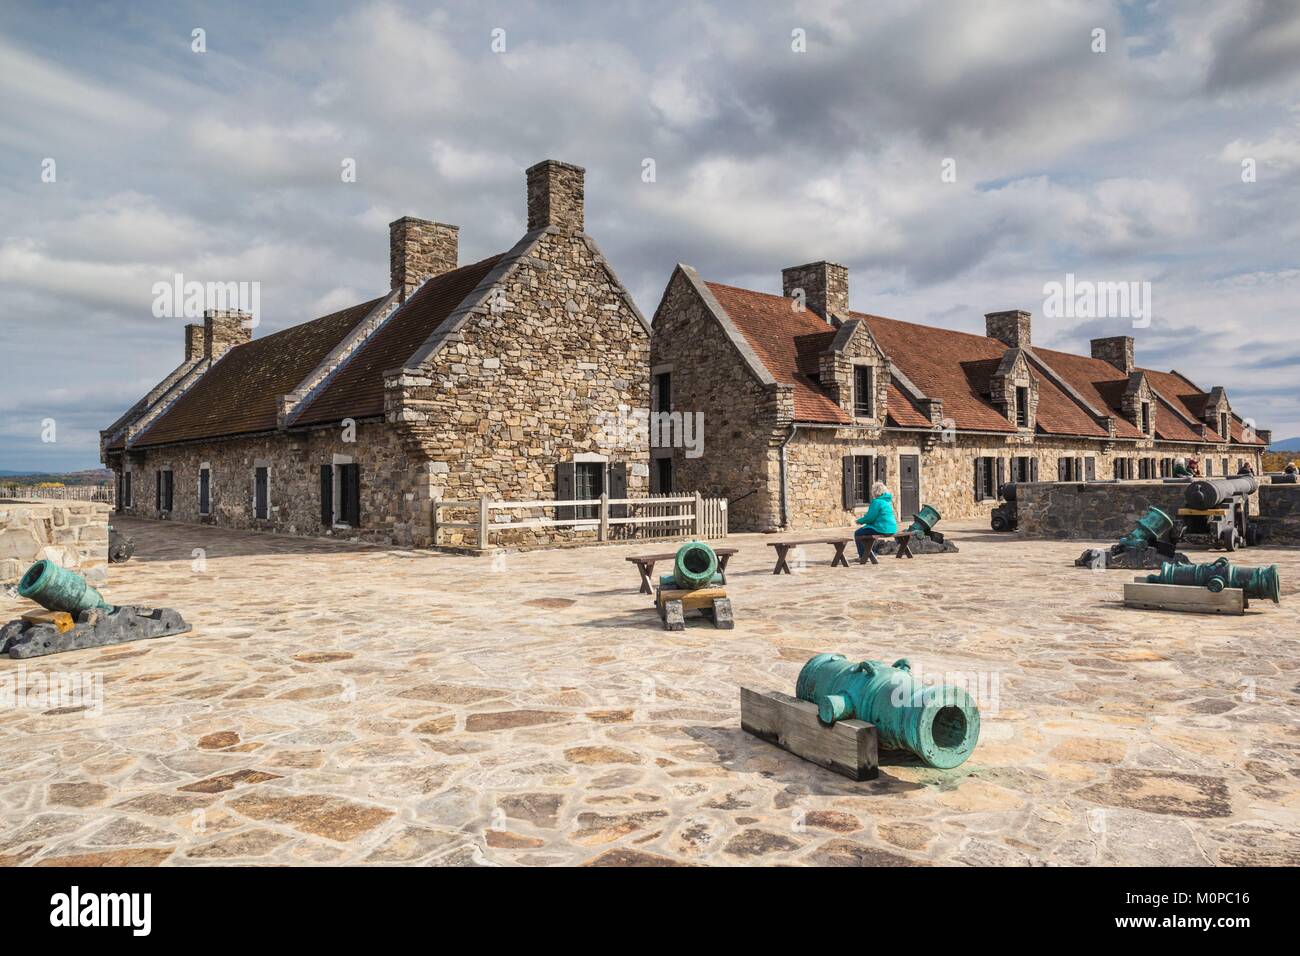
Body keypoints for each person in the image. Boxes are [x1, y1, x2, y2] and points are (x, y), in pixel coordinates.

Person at [854, 481, 898, 561]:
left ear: (875, 492)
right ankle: (873, 553)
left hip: (882, 528)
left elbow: (870, 517)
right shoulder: (887, 501)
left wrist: (859, 521)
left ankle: (863, 556)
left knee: (858, 533)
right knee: (869, 532)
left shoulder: (876, 502)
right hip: (892, 528)